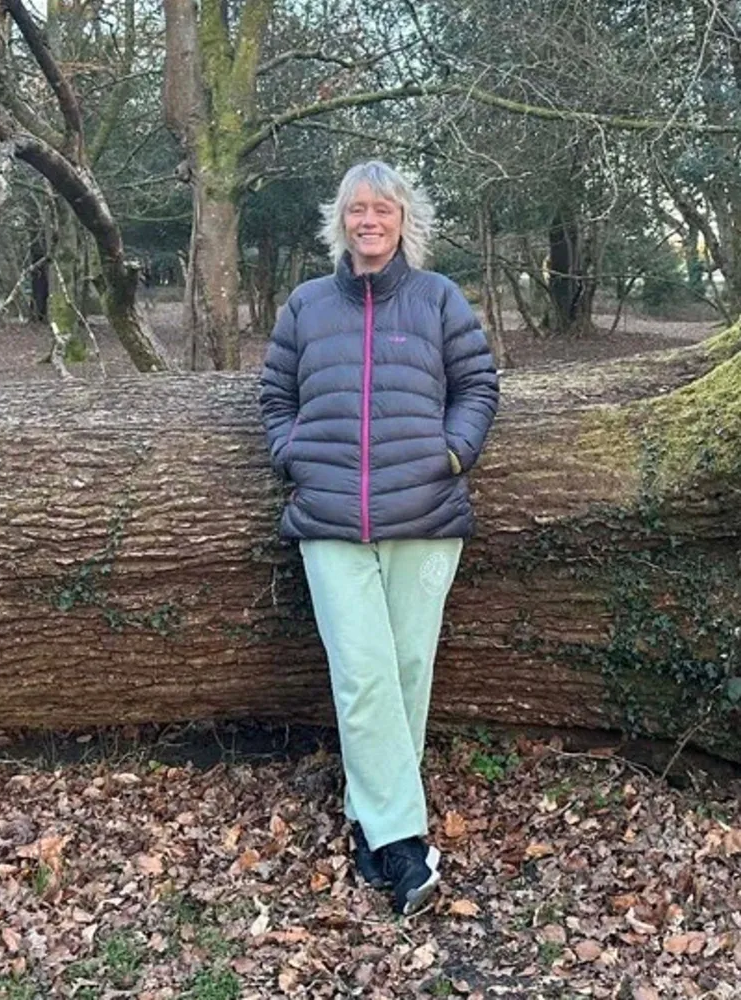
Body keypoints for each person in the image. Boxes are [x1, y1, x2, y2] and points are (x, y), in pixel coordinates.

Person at [260, 161, 498, 916]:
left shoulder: (437, 300)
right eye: (356, 209)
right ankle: (403, 845)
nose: (369, 221)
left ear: (403, 221)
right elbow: (273, 394)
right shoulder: (306, 306)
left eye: (382, 210)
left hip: (424, 519)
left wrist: (451, 454)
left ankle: (375, 830)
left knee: (404, 672)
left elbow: (479, 386)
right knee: (362, 673)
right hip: (330, 521)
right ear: (341, 220)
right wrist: (292, 452)